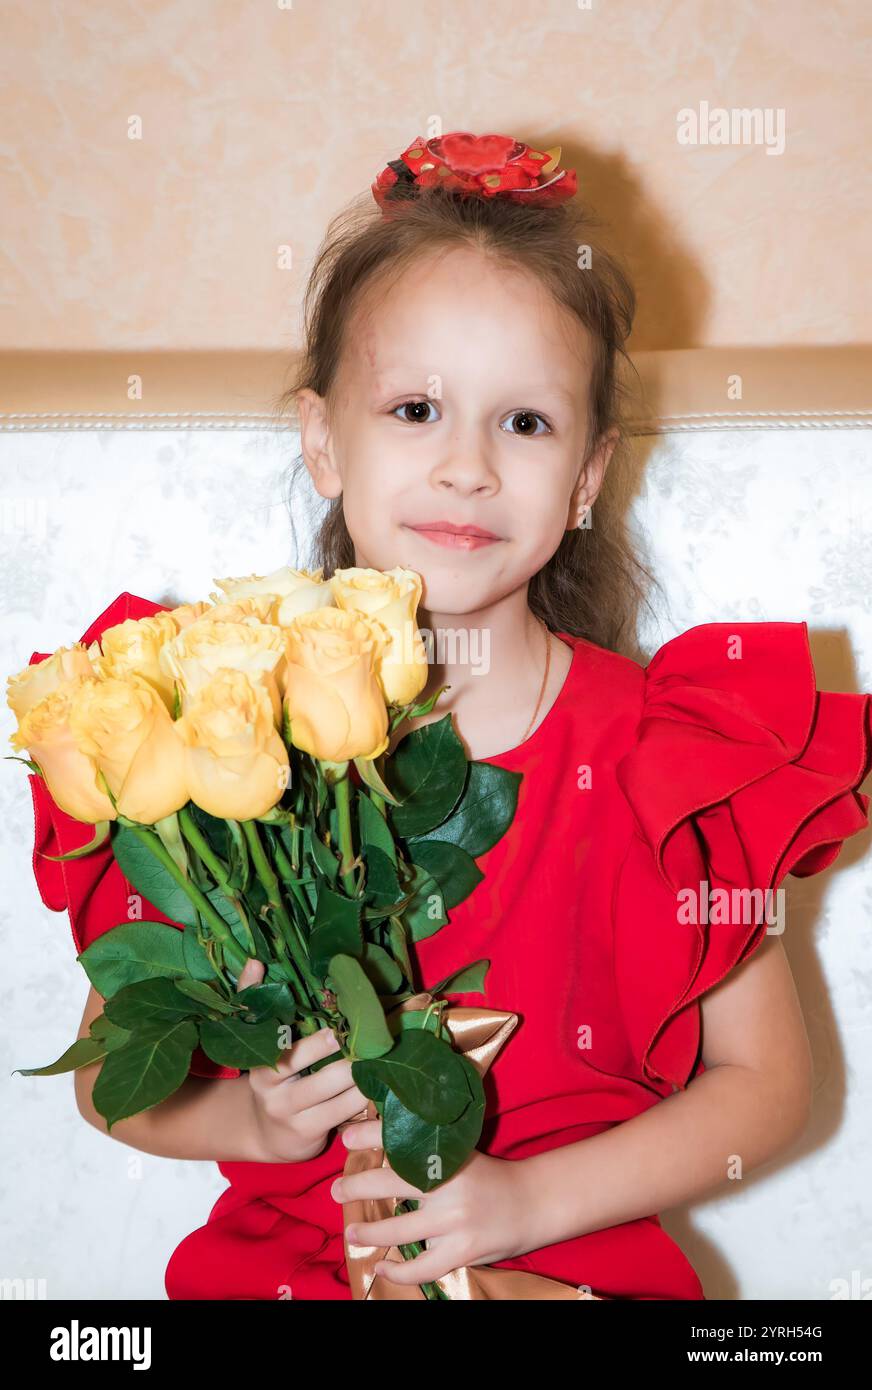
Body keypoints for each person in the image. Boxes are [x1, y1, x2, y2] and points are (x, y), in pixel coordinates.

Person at [26, 132, 872, 1300]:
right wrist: (253, 1124)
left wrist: (525, 1202)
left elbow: (766, 1088)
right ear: (323, 441)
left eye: (523, 422)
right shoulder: (221, 731)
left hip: (572, 1266)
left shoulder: (668, 753)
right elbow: (110, 1077)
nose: (468, 465)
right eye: (416, 407)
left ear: (586, 477)